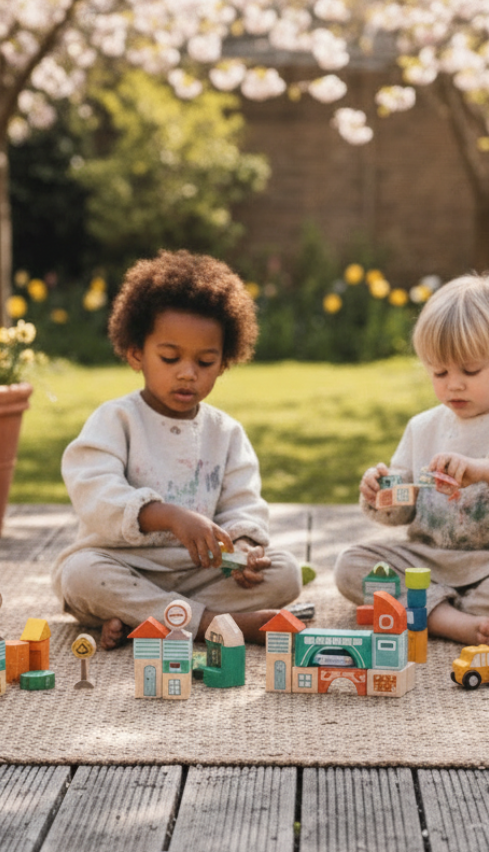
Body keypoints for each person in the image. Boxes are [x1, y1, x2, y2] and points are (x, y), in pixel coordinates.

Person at [53, 249, 303, 649]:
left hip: (200, 572)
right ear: (136, 353)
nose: (187, 373)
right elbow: (94, 492)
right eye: (170, 358)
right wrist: (169, 516)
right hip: (124, 563)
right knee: (81, 576)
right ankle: (213, 625)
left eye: (205, 362)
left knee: (286, 573)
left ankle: (150, 618)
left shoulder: (226, 432)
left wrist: (244, 547)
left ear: (224, 362)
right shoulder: (116, 419)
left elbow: (243, 504)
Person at [334, 272, 489, 651]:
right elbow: (403, 507)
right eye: (439, 371)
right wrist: (380, 493)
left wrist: (485, 470)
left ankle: (424, 611)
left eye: (470, 371)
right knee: (351, 565)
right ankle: (447, 618)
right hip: (431, 563)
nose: (453, 383)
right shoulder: (422, 427)